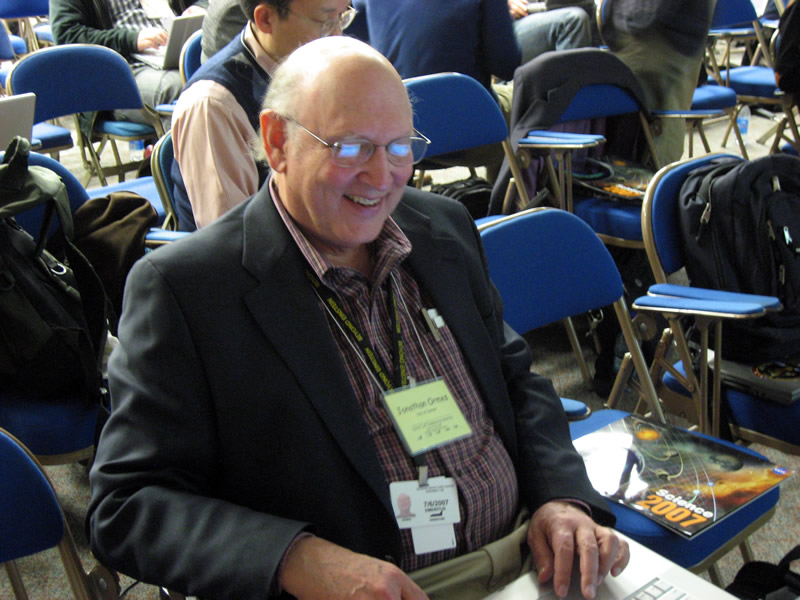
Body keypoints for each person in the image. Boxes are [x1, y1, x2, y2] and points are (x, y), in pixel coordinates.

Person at [88, 35, 629, 599]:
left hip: (530, 557)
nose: (382, 176)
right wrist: (295, 558)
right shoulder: (188, 290)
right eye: (351, 148)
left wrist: (561, 496)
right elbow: (127, 503)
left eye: (399, 147)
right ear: (277, 141)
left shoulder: (442, 229)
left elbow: (515, 378)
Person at [171, 0, 355, 231]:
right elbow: (235, 236)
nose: (338, 36)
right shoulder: (213, 104)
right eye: (326, 22)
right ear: (266, 19)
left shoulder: (318, 70)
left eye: (343, 17)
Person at [50, 0, 208, 127]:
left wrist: (201, 6)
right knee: (183, 88)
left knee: (217, 78)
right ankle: (185, 158)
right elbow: (67, 35)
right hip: (119, 73)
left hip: (176, 52)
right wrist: (131, 39)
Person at [598, 0, 715, 164]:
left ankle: (647, 174)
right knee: (650, 131)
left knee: (657, 135)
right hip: (651, 36)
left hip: (656, 40)